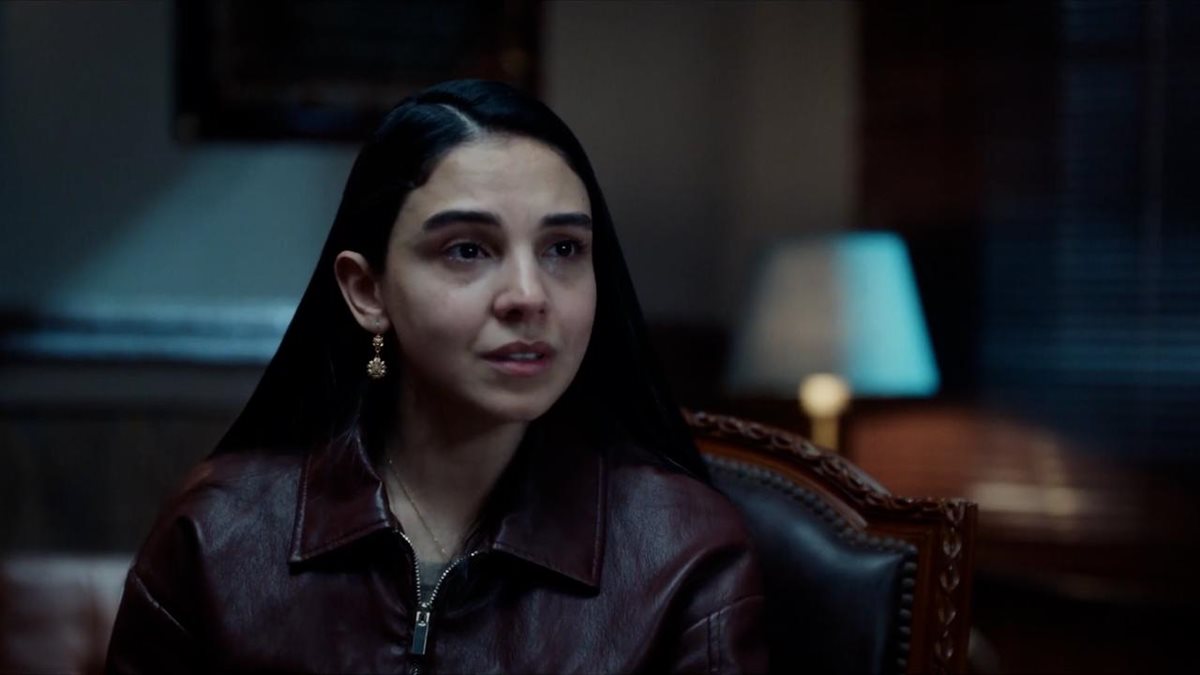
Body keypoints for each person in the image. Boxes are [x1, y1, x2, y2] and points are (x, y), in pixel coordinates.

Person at [105, 79, 767, 674]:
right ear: (367, 291)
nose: (528, 295)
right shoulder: (219, 537)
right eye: (468, 249)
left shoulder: (682, 553)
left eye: (563, 248)